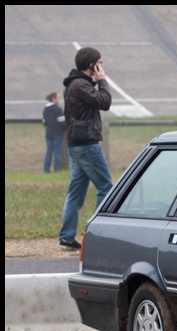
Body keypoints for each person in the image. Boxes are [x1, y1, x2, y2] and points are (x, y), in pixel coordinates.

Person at [58, 47, 114, 249]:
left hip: (77, 144)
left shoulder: (73, 84)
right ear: (92, 65)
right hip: (87, 145)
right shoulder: (81, 85)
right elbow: (105, 102)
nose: (101, 67)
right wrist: (102, 81)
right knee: (107, 188)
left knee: (76, 191)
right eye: (99, 63)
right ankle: (96, 236)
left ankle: (66, 236)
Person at [42, 92, 66, 173]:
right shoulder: (57, 109)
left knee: (49, 152)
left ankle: (46, 170)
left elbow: (44, 122)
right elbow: (62, 122)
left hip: (48, 133)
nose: (59, 99)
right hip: (58, 133)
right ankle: (56, 170)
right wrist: (65, 129)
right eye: (58, 97)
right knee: (57, 152)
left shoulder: (45, 109)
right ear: (53, 99)